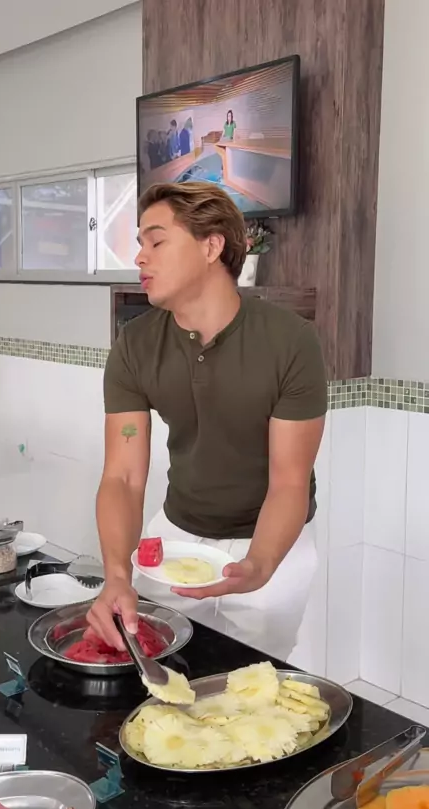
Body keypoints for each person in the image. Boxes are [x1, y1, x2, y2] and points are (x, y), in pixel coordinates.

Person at [88, 181, 327, 662]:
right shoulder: (135, 345)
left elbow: (289, 482)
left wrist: (260, 564)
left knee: (255, 683)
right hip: (175, 538)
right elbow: (123, 475)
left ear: (211, 246)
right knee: (162, 673)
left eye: (156, 241)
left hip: (270, 544)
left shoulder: (290, 342)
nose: (139, 257)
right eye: (139, 243)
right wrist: (117, 574)